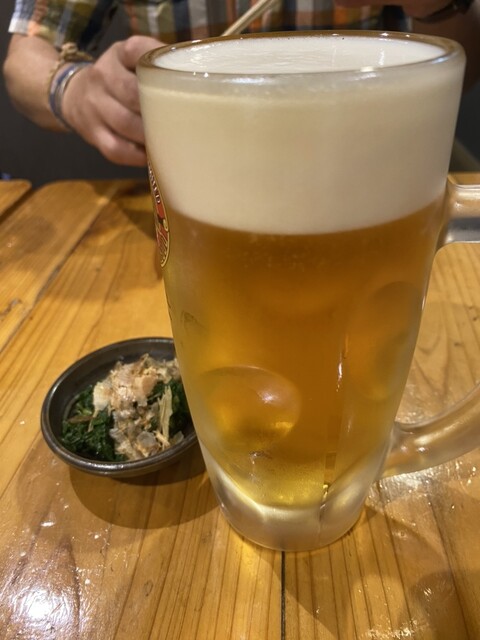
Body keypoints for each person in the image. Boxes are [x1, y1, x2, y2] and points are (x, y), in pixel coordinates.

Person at [3, 0, 480, 168]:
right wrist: (75, 89)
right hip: (194, 199)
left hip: (370, 175)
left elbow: (463, 68)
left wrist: (437, 5)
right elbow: (24, 57)